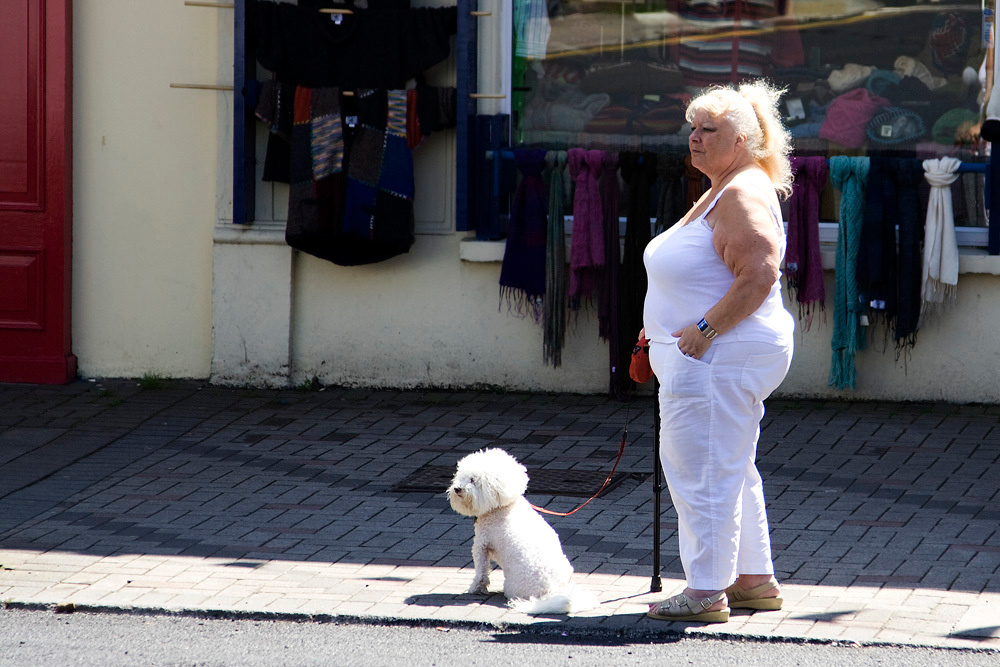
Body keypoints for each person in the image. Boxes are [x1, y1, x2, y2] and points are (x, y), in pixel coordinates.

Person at [641, 81, 795, 623]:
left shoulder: (741, 191)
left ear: (745, 141)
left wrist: (703, 329)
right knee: (730, 466)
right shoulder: (724, 185)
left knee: (701, 470)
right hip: (716, 358)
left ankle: (705, 590)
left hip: (717, 358)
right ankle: (754, 581)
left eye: (711, 130)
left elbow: (758, 274)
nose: (696, 138)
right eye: (693, 128)